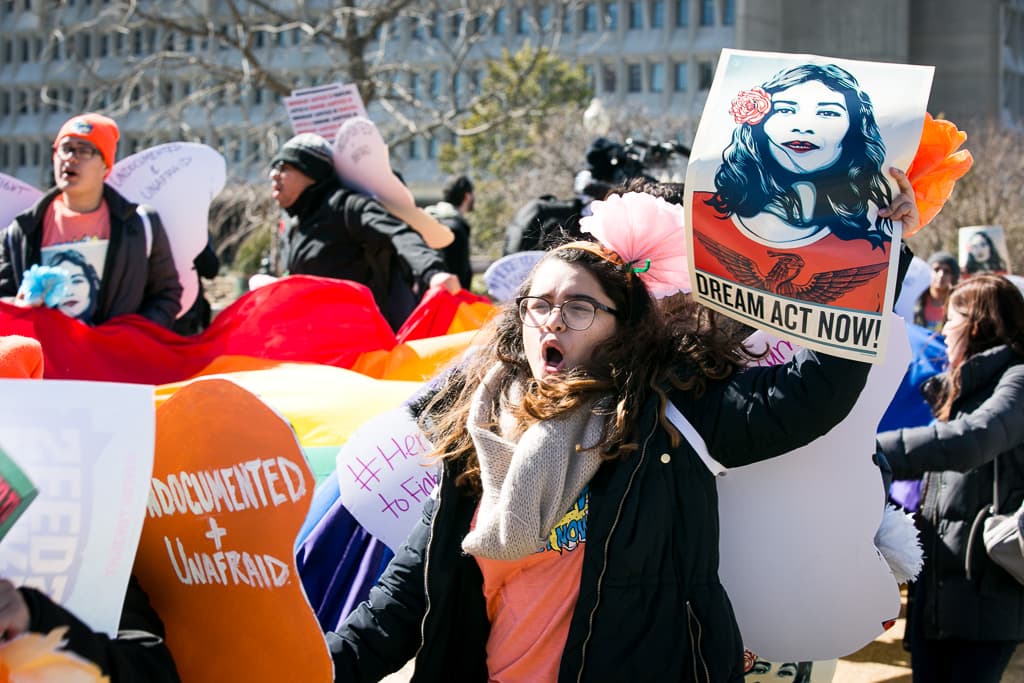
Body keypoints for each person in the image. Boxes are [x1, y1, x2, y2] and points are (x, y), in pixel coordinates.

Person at [326, 179, 919, 681]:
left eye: (579, 307)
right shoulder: (475, 436)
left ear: (623, 326)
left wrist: (873, 248)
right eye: (539, 304)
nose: (553, 320)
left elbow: (812, 392)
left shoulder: (668, 420)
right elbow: (400, 607)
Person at [876, 274, 1024, 683]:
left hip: (987, 596)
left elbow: (972, 440)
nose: (943, 331)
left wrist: (875, 452)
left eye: (952, 320)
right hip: (936, 600)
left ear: (977, 325)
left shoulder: (1018, 379)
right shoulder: (959, 386)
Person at [693, 63, 898, 312]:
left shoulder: (870, 236)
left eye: (828, 113)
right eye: (785, 109)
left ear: (854, 130)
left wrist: (898, 234)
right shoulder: (697, 212)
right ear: (758, 122)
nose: (803, 126)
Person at [0, 113, 182, 327]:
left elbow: (166, 294)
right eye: (66, 148)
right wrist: (20, 306)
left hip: (114, 349)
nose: (71, 158)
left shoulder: (140, 225)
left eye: (84, 150)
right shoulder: (21, 231)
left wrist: (130, 336)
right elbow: (4, 297)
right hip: (47, 349)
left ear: (106, 165)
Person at [269, 133, 459, 331]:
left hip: (357, 340)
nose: (273, 175)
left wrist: (434, 272)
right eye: (273, 168)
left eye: (283, 167)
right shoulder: (294, 222)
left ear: (311, 169)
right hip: (307, 337)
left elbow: (399, 234)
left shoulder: (349, 207)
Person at [425, 175, 475, 289]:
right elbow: (460, 274)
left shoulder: (430, 220)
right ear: (467, 197)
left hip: (427, 293)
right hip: (449, 295)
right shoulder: (457, 228)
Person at [913, 251, 960, 332]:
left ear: (953, 277)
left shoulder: (958, 305)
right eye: (936, 269)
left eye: (946, 271)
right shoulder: (917, 300)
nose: (941, 275)